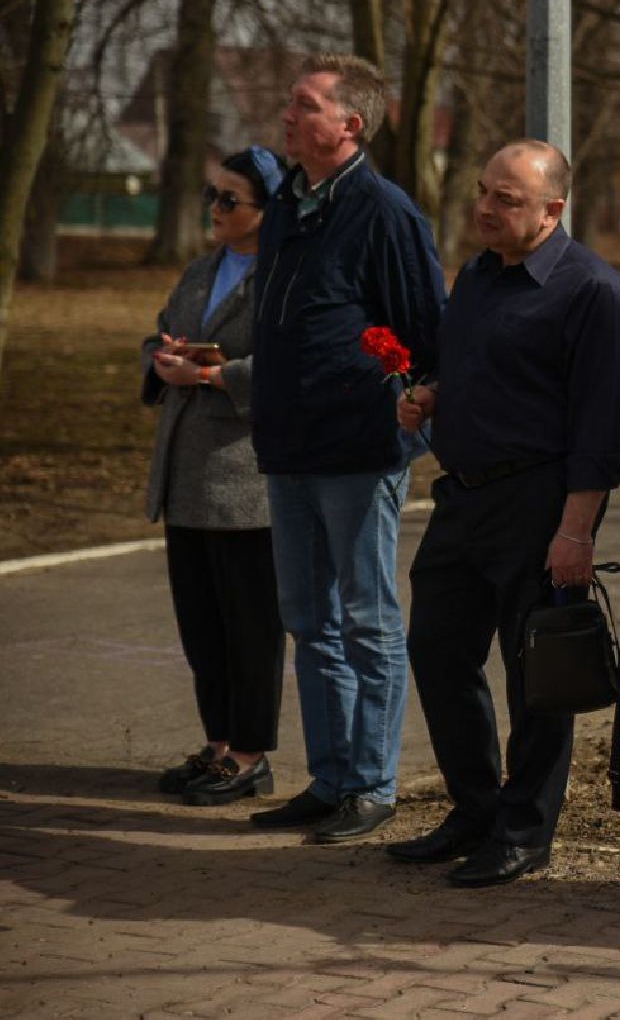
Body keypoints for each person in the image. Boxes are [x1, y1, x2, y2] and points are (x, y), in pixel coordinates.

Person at [384, 140, 620, 887]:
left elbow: (600, 429)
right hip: (463, 497)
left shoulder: (591, 289)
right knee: (435, 647)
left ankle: (524, 829)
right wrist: (432, 396)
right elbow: (475, 368)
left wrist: (575, 529)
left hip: (540, 502)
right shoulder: (480, 275)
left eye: (507, 200)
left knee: (537, 674)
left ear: (554, 210)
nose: (486, 209)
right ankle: (475, 808)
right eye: (484, 192)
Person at [247, 53, 445, 842]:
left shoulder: (386, 212)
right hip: (289, 447)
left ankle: (372, 784)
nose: (287, 116)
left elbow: (428, 333)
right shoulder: (287, 206)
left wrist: (409, 413)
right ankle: (328, 780)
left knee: (367, 619)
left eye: (304, 105)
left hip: (359, 451)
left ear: (349, 124)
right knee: (308, 619)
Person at [144, 147, 288, 806]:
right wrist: (164, 355)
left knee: (249, 627)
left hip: (246, 480)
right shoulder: (201, 269)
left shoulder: (285, 279)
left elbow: (295, 370)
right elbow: (158, 334)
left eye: (232, 200)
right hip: (185, 474)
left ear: (268, 211)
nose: (217, 210)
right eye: (213, 195)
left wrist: (211, 374)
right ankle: (220, 744)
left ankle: (253, 754)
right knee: (201, 626)